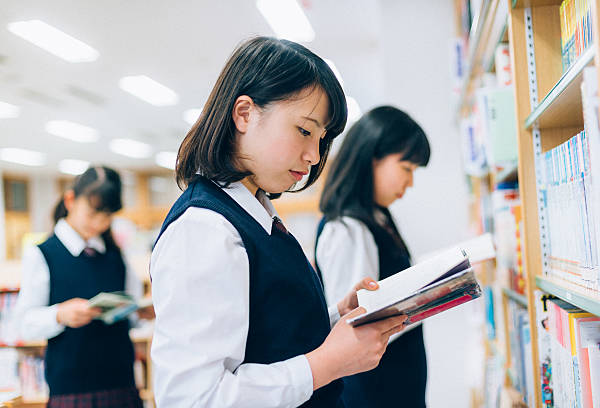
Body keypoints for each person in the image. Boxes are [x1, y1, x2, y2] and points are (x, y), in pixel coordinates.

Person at [150, 36, 408, 407]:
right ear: (244, 114)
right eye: (304, 130)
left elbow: (268, 338)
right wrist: (325, 364)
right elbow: (194, 398)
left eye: (322, 139)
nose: (314, 156)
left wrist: (334, 316)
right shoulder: (204, 229)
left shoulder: (255, 214)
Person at [315, 105, 431, 408]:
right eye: (406, 169)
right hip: (373, 395)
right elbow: (355, 329)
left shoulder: (378, 216)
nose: (410, 183)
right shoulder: (348, 229)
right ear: (372, 158)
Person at [14, 166, 148, 408]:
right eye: (93, 213)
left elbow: (132, 310)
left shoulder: (115, 254)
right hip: (72, 389)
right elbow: (23, 324)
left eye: (106, 217)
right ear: (70, 200)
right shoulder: (44, 254)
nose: (99, 223)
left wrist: (142, 312)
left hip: (121, 384)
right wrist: (59, 315)